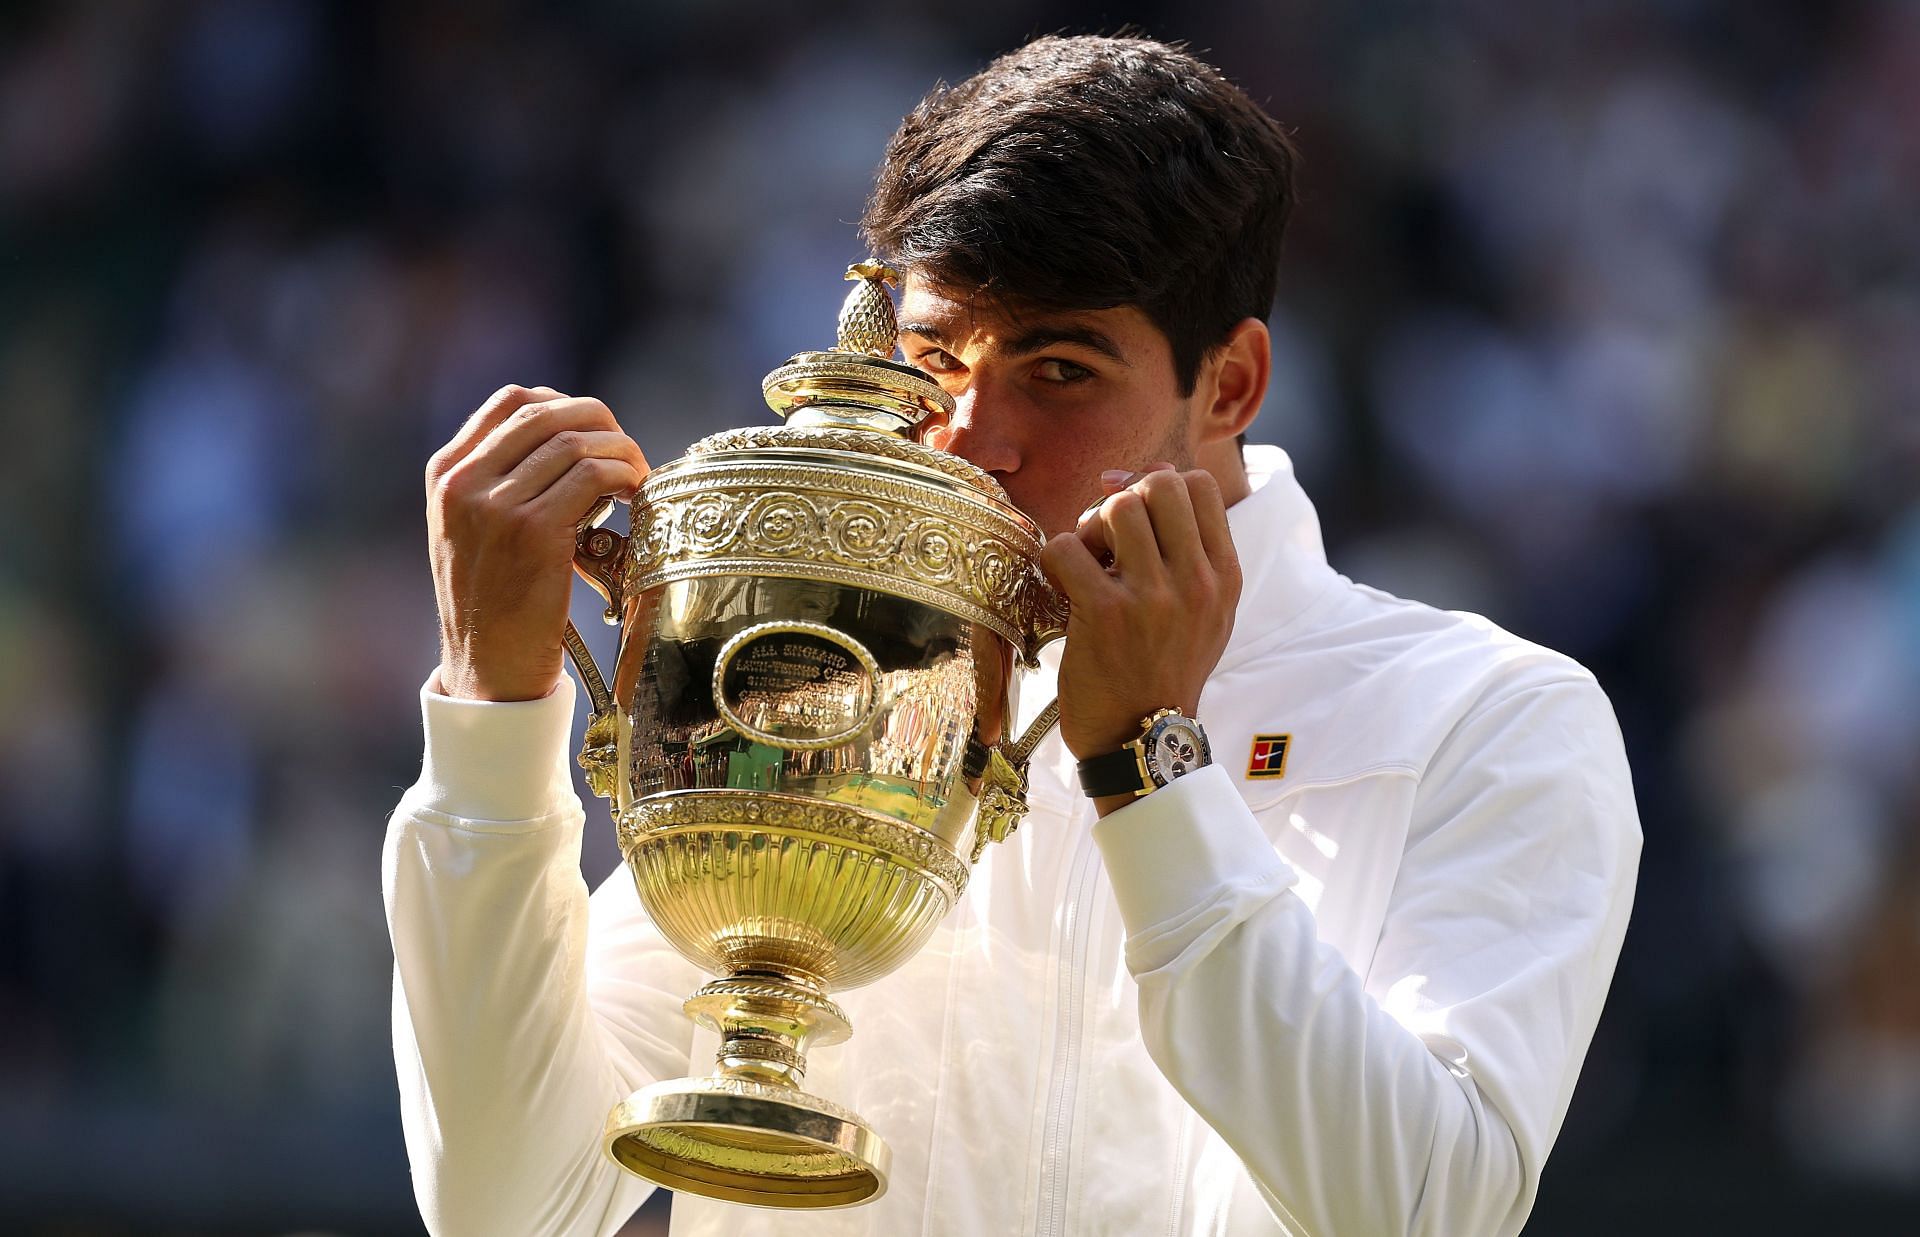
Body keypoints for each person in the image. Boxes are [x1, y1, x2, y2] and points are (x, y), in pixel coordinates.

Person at [385, 33, 1640, 1237]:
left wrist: (1150, 772)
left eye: (1061, 371)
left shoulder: (1491, 716)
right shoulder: (825, 671)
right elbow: (510, 1206)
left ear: (1234, 384)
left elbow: (1422, 1211)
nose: (976, 439)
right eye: (937, 360)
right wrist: (492, 717)